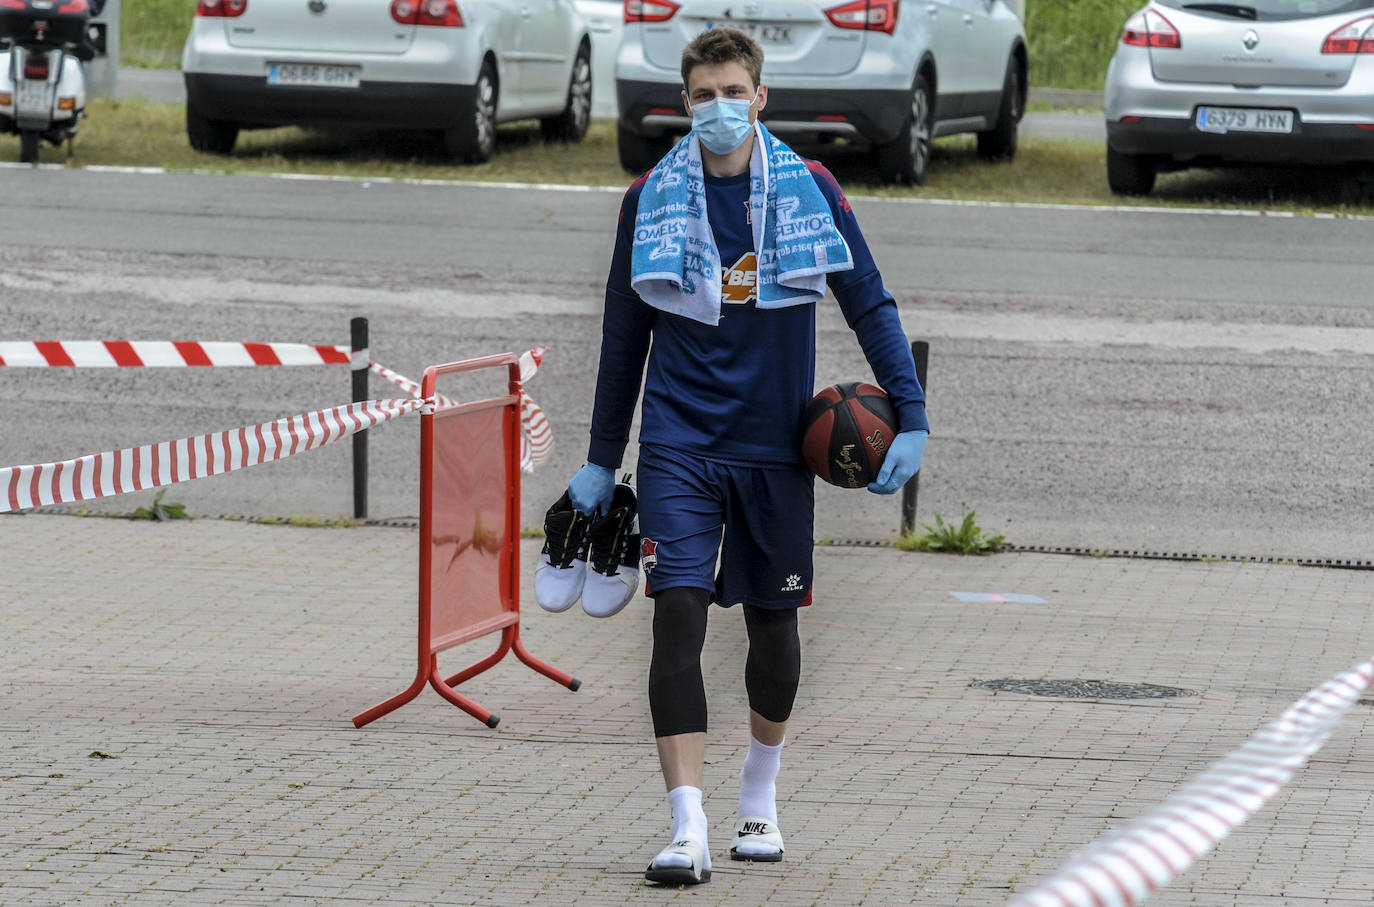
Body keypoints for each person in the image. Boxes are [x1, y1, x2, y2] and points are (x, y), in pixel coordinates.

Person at [565, 27, 928, 886]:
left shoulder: (812, 190)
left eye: (733, 92)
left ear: (761, 98)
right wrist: (598, 457)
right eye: (702, 95)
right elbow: (624, 337)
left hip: (775, 448)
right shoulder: (650, 198)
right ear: (684, 103)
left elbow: (869, 302)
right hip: (680, 442)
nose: (718, 108)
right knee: (678, 616)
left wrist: (909, 414)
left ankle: (758, 789)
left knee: (773, 628)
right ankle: (686, 825)